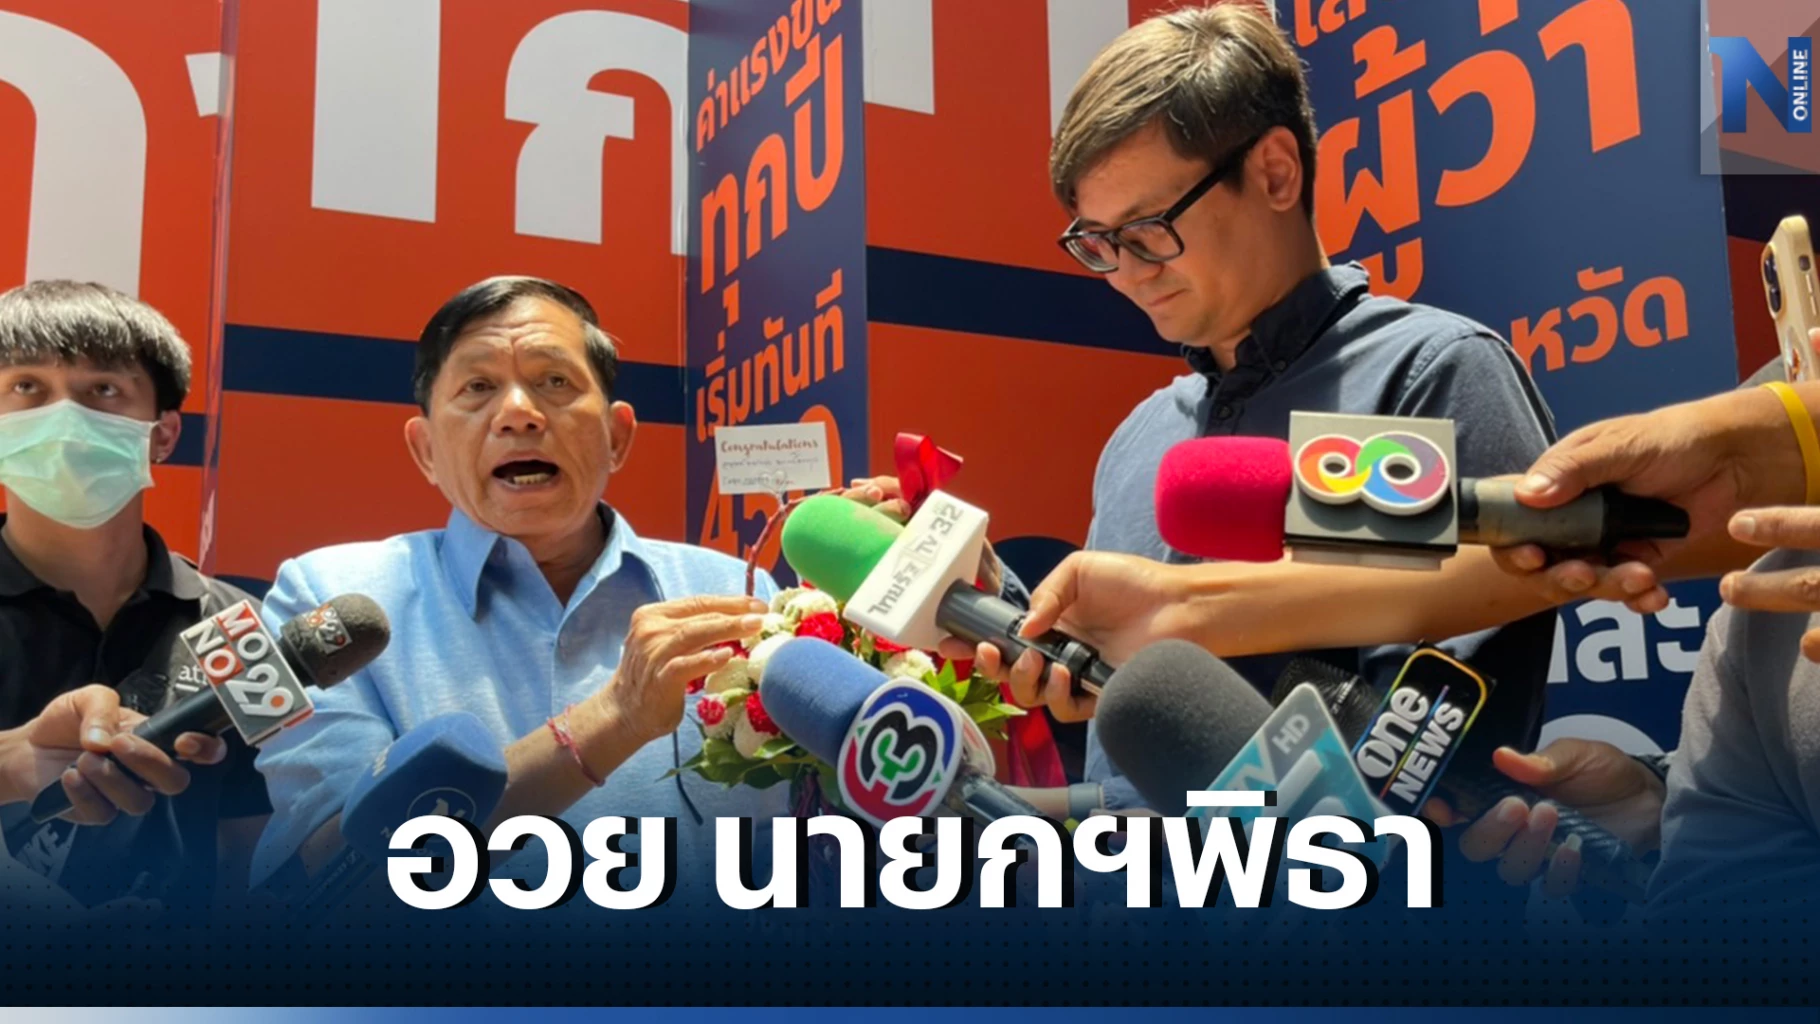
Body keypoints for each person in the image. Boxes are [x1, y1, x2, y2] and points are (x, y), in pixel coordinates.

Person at [909, 5, 1562, 817]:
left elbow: (1434, 764)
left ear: (1277, 173)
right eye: (1098, 242)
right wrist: (1011, 619)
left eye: (1148, 229)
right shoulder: (1139, 439)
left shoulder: (1429, 375)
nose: (1128, 273)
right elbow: (1130, 757)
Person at [251, 277, 784, 897]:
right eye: (477, 387)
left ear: (617, 437)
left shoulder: (739, 589)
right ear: (426, 450)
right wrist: (614, 718)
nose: (518, 413)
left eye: (555, 381)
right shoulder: (317, 598)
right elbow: (330, 879)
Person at [0, 280, 262, 911]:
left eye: (103, 390)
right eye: (27, 387)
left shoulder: (240, 626)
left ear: (163, 435)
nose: (64, 419)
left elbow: (248, 844)